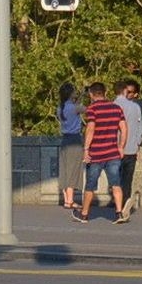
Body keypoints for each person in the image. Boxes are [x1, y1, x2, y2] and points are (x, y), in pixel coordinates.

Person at [75, 80, 125, 223]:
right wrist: (121, 146)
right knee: (116, 184)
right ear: (105, 93)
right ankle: (119, 213)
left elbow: (90, 129)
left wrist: (86, 149)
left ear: (91, 94)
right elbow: (124, 128)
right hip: (113, 153)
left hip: (96, 153)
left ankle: (84, 214)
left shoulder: (92, 109)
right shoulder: (116, 108)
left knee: (90, 185)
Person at [113, 79, 142, 223]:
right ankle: (125, 204)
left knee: (115, 179)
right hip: (131, 149)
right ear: (125, 91)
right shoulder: (135, 107)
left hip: (115, 149)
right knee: (127, 179)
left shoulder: (112, 106)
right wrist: (137, 145)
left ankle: (118, 208)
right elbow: (139, 130)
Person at [57, 81, 84, 209]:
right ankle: (70, 200)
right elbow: (87, 110)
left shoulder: (60, 109)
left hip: (64, 141)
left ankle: (66, 199)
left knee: (65, 170)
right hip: (75, 140)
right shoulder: (75, 107)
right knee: (73, 170)